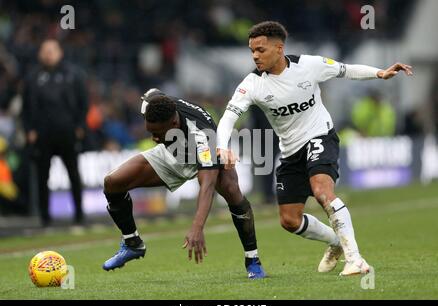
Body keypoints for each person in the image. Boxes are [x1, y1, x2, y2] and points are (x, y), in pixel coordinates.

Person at [216, 21, 413, 276]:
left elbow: (345, 70)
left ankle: (356, 259)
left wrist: (380, 73)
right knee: (289, 220)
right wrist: (222, 147)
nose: (255, 55)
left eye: (261, 50)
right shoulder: (252, 84)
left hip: (321, 135)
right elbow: (228, 118)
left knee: (322, 191)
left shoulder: (308, 66)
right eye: (252, 50)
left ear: (279, 48)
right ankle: (335, 242)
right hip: (290, 152)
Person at [102, 89, 266, 279]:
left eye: (157, 133)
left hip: (207, 153)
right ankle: (132, 243)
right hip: (175, 153)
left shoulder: (203, 136)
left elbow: (207, 186)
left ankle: (252, 260)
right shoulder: (154, 106)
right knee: (113, 183)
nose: (153, 138)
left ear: (173, 123)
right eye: (150, 132)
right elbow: (152, 94)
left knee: (232, 191)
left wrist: (197, 227)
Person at [22, 39, 88, 227]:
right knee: (42, 177)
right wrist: (29, 130)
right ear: (39, 54)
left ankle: (79, 215)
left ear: (60, 52)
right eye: (45, 50)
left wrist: (80, 126)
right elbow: (25, 108)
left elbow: (84, 103)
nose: (48, 54)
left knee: (74, 174)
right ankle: (45, 218)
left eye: (52, 50)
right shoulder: (33, 77)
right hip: (42, 134)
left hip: (68, 132)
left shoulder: (73, 75)